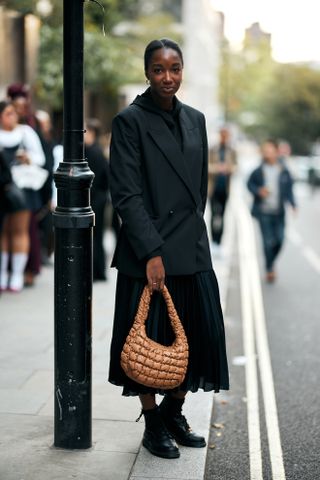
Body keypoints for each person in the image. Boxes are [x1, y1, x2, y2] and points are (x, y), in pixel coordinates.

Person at [108, 38, 229, 460]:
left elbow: (199, 188)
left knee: (197, 335)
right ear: (147, 72)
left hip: (191, 249)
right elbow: (125, 194)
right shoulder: (129, 121)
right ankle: (153, 421)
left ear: (183, 70)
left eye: (174, 68)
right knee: (148, 342)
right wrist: (151, 251)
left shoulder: (196, 119)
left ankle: (175, 410)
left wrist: (196, 232)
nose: (168, 77)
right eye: (159, 69)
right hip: (151, 253)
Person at [0, 101, 45, 292]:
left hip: (21, 187)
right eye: (7, 113)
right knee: (3, 231)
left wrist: (27, 158)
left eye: (13, 113)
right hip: (2, 186)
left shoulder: (25, 132)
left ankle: (17, 275)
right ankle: (3, 274)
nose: (12, 116)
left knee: (19, 230)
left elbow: (41, 158)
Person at [247, 139, 296, 283]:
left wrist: (293, 204)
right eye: (265, 150)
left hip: (279, 212)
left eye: (270, 150)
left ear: (276, 151)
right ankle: (270, 268)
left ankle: (270, 263)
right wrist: (258, 191)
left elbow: (289, 189)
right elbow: (249, 184)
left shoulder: (283, 170)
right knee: (268, 242)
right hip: (264, 212)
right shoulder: (258, 170)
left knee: (280, 240)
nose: (267, 153)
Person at [84, 119, 109, 281]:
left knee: (94, 236)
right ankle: (98, 271)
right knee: (96, 236)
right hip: (98, 198)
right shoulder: (95, 151)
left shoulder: (94, 152)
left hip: (95, 199)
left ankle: (96, 271)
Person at [208, 127, 237, 253]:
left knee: (223, 216)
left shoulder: (232, 151)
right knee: (214, 215)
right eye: (222, 135)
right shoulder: (212, 149)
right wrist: (217, 168)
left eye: (227, 135)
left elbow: (236, 167)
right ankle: (213, 241)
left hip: (225, 189)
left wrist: (229, 168)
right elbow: (206, 167)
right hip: (213, 189)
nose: (224, 137)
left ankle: (219, 243)